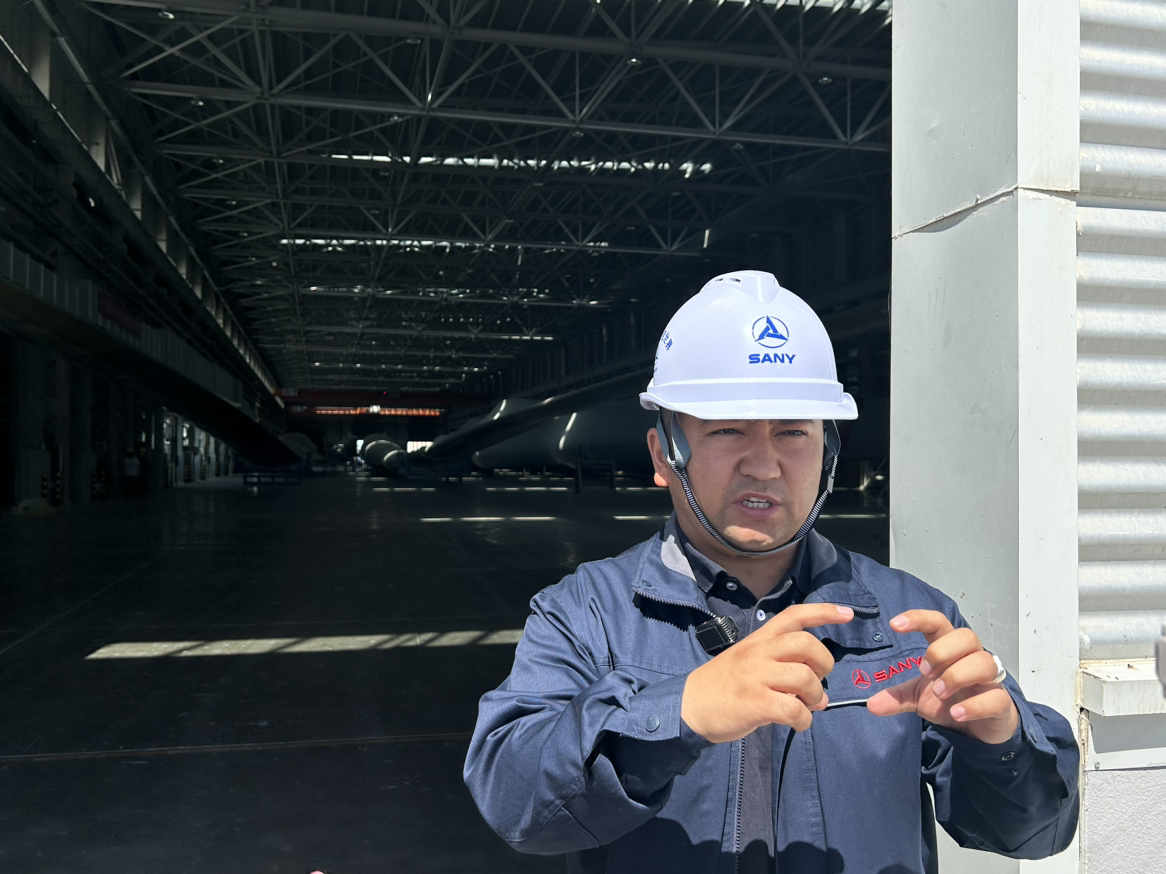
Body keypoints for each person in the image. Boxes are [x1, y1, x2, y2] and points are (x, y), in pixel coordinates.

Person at [464, 271, 1079, 873]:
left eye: (792, 431)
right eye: (728, 429)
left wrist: (1002, 745)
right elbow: (515, 804)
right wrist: (680, 710)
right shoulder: (586, 613)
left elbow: (1032, 832)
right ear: (664, 453)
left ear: (827, 451)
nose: (764, 464)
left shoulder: (910, 619)